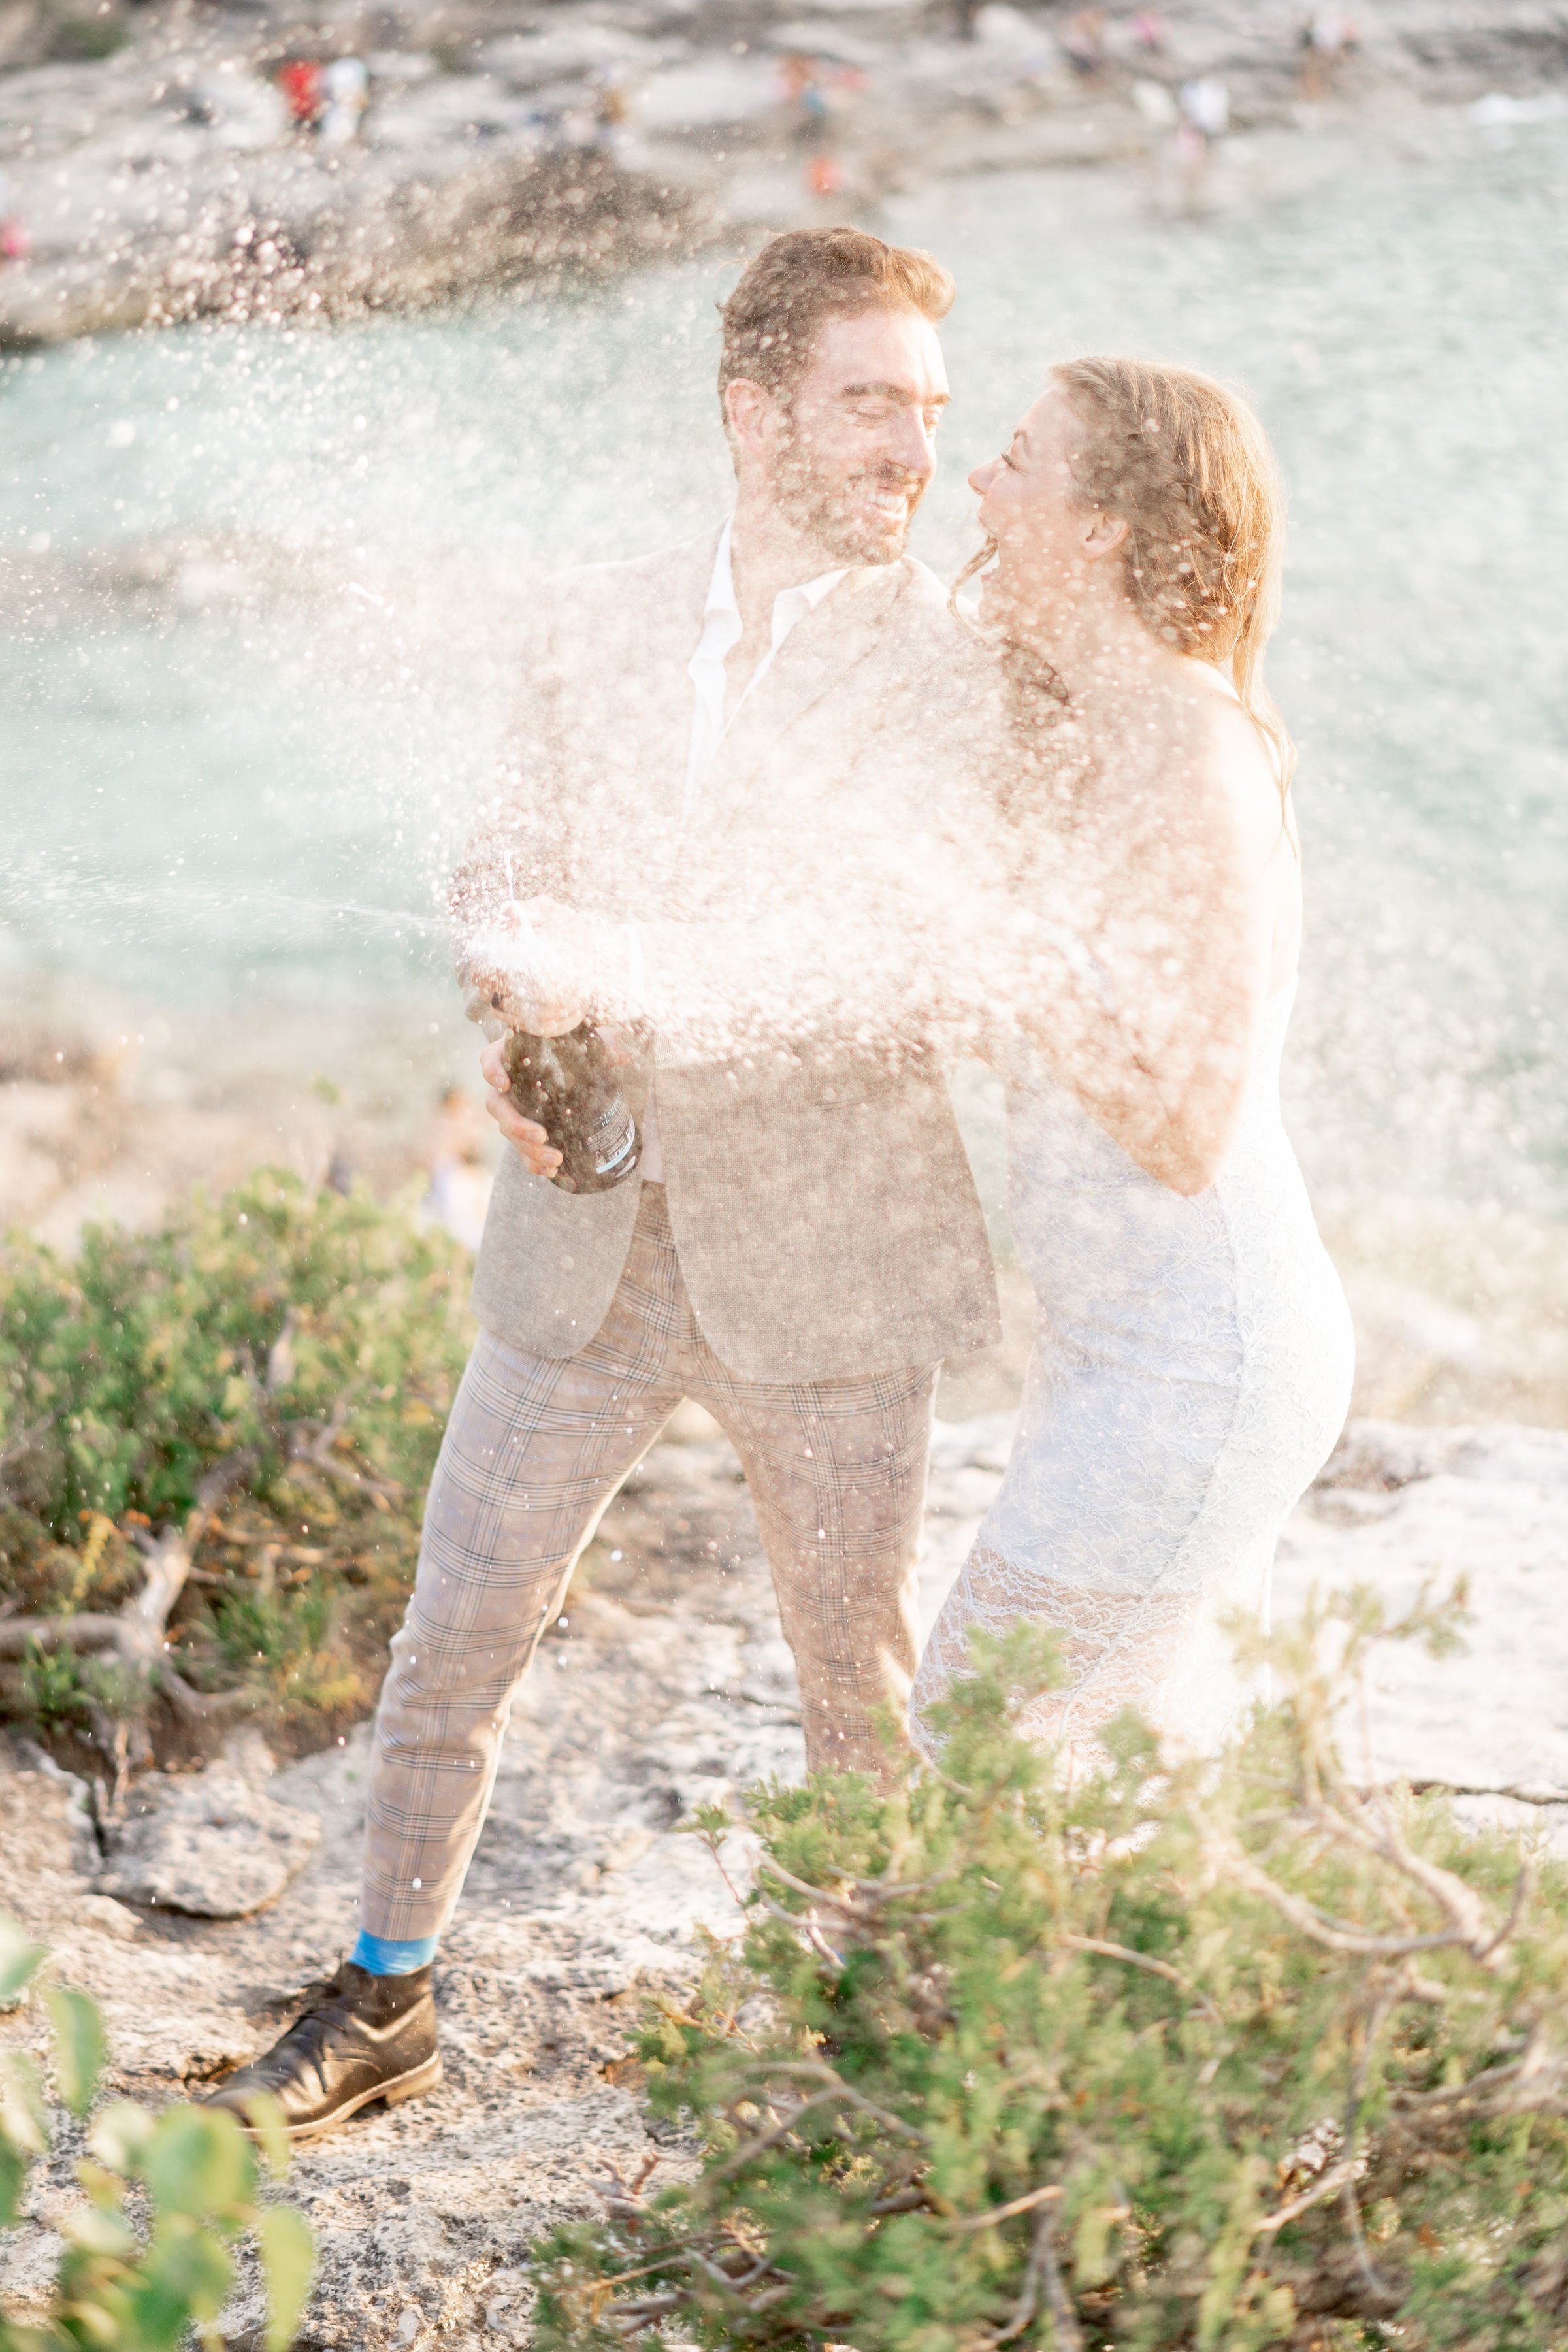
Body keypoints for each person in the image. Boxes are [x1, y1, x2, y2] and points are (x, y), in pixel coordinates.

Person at [204, 227, 1003, 2142]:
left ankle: (872, 2046)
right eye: (871, 405)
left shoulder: (957, 666)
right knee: (454, 1626)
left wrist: (626, 979)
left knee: (854, 1689)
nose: (915, 453)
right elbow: (500, 857)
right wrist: (504, 996)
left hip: (830, 1261)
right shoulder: (598, 617)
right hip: (581, 1232)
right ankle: (387, 1997)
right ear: (755, 413)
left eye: (932, 413)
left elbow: (907, 956)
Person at [910, 358, 1354, 1768]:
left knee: (967, 1744)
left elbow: (1186, 1130)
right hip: (1123, 1358)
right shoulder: (1091, 730)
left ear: (1103, 525)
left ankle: (892, 1997)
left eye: (1020, 456)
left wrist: (1013, 944)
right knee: (1139, 1800)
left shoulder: (1197, 755)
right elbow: (1064, 1031)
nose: (977, 480)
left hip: (1197, 1365)